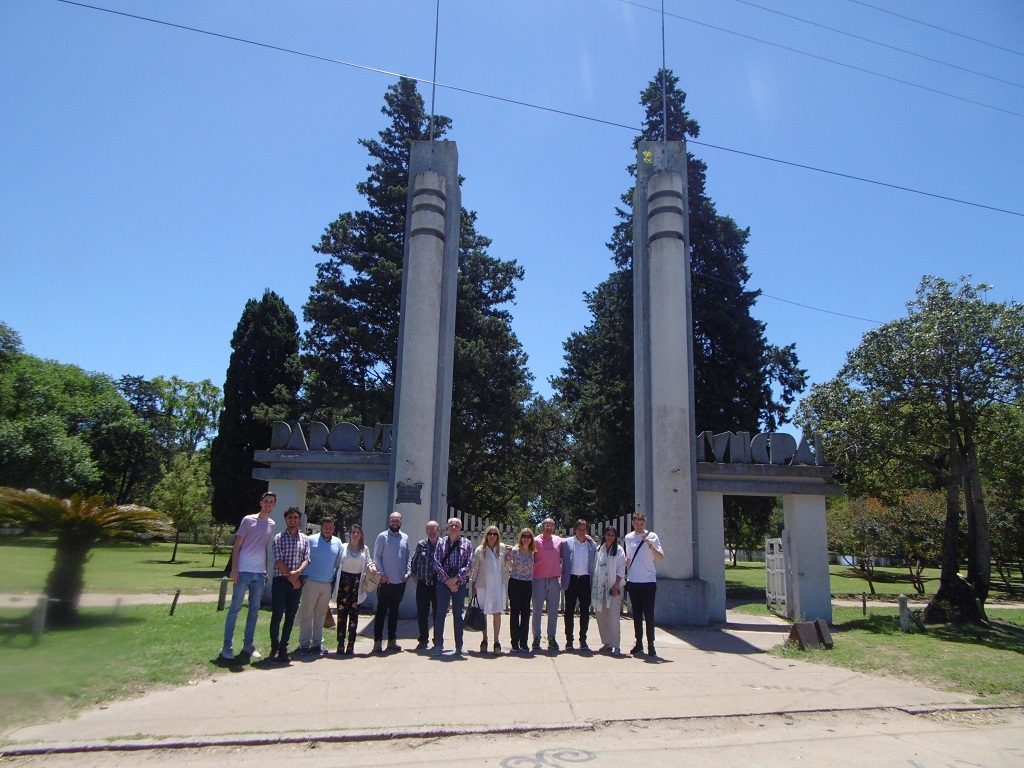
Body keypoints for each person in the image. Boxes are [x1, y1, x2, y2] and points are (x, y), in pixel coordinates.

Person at [219, 491, 277, 663]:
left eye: (271, 502)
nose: (268, 504)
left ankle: (248, 645)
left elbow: (264, 547)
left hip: (259, 574)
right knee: (235, 609)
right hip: (243, 571)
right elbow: (237, 546)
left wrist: (265, 570)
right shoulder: (248, 520)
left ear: (274, 505)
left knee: (254, 611)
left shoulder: (271, 524)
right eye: (265, 501)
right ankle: (226, 647)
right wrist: (234, 569)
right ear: (261, 503)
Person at [295, 516, 343, 656]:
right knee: (307, 613)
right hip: (310, 582)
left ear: (334, 528)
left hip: (327, 584)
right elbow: (302, 558)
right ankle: (304, 644)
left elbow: (338, 564)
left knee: (320, 615)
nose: (328, 529)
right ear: (322, 527)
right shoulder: (310, 540)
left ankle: (316, 643)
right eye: (326, 527)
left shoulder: (338, 542)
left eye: (331, 527)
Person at [269, 506, 310, 663]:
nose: (292, 520)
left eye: (295, 517)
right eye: (289, 517)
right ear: (286, 519)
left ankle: (283, 648)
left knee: (290, 616)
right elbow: (278, 560)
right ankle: (275, 645)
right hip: (281, 581)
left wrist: (297, 573)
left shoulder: (304, 539)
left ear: (299, 519)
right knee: (277, 614)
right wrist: (291, 578)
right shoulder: (279, 537)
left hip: (297, 582)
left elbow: (307, 559)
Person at [624, 511, 664, 657]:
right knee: (636, 614)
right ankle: (638, 643)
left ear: (644, 524)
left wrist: (650, 545)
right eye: (637, 523)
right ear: (633, 523)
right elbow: (628, 559)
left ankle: (651, 644)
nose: (639, 526)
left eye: (642, 523)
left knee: (649, 614)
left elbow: (660, 557)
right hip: (634, 581)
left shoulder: (652, 536)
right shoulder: (628, 538)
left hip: (648, 581)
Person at [432, 517, 473, 655]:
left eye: (456, 525)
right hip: (443, 583)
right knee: (440, 614)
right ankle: (438, 645)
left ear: (460, 528)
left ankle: (459, 645)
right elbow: (436, 562)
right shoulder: (441, 542)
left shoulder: (467, 543)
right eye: (451, 525)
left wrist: (456, 579)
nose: (454, 527)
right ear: (447, 527)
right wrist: (448, 581)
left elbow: (468, 564)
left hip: (459, 584)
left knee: (458, 615)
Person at [372, 511, 411, 654]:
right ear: (389, 521)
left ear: (401, 521)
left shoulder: (405, 537)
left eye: (397, 520)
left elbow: (408, 556)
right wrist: (381, 574)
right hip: (385, 581)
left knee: (394, 612)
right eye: (392, 520)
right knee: (381, 612)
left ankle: (392, 641)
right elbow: (376, 556)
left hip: (400, 581)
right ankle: (377, 642)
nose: (395, 522)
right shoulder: (382, 536)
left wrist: (408, 572)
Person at [333, 523, 374, 656]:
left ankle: (351, 645)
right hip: (343, 583)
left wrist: (372, 568)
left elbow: (369, 562)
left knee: (354, 616)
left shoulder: (364, 549)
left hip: (357, 584)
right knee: (341, 616)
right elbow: (337, 564)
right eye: (353, 532)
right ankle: (340, 643)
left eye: (358, 532)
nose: (355, 534)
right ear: (349, 534)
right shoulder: (343, 547)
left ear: (361, 534)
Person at [470, 526, 511, 655]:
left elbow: (509, 565)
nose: (492, 536)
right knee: (483, 613)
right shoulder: (480, 550)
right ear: (486, 535)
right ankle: (484, 639)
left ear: (498, 536)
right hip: (483, 586)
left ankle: (497, 641)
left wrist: (510, 556)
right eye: (490, 534)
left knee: (497, 613)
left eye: (495, 534)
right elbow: (475, 569)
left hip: (498, 586)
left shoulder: (503, 548)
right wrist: (473, 586)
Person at [560, 519, 597, 650]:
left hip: (585, 580)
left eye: (584, 529)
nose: (582, 532)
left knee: (585, 611)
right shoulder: (566, 543)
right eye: (579, 529)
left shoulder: (592, 545)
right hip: (571, 579)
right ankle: (569, 640)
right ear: (574, 529)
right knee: (569, 611)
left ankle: (583, 639)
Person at [592, 526, 626, 655]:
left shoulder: (619, 551)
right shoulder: (599, 550)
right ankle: (607, 643)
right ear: (604, 536)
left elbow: (621, 569)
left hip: (613, 588)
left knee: (613, 617)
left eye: (612, 535)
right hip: (600, 588)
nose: (610, 537)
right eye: (608, 534)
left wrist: (616, 586)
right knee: (601, 616)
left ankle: (616, 645)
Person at [531, 518, 563, 652]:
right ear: (541, 526)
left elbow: (574, 543)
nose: (549, 527)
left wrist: (587, 537)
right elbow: (524, 549)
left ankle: (551, 638)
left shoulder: (559, 541)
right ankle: (536, 638)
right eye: (546, 525)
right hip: (538, 579)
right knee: (537, 611)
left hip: (554, 580)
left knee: (553, 612)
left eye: (551, 525)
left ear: (554, 527)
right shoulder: (536, 540)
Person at [409, 520, 441, 650]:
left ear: (439, 530)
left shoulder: (443, 544)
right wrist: (414, 575)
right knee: (422, 613)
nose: (432, 532)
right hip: (423, 584)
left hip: (438, 585)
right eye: (429, 529)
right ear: (426, 531)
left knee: (438, 614)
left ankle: (437, 640)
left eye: (434, 529)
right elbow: (414, 561)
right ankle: (423, 639)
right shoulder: (421, 544)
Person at [507, 528, 535, 654]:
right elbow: (504, 558)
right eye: (524, 536)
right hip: (515, 582)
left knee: (525, 613)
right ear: (520, 537)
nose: (526, 539)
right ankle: (514, 642)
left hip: (527, 583)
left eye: (529, 536)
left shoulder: (533, 552)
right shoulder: (514, 550)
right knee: (514, 612)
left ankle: (524, 642)